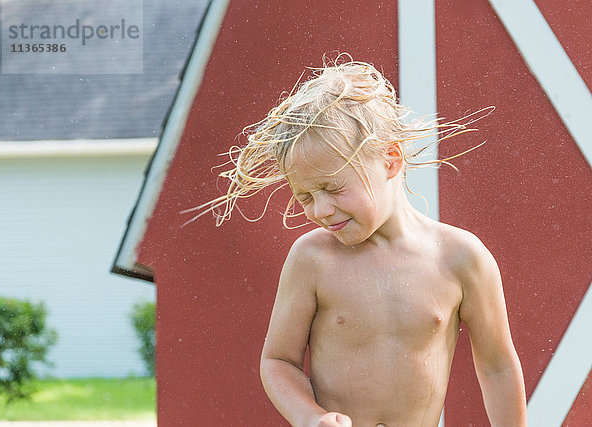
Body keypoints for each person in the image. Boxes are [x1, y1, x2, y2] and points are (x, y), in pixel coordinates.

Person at [181, 53, 527, 426]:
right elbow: (278, 361)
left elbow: (497, 367)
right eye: (305, 197)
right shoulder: (312, 260)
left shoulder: (460, 258)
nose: (321, 210)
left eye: (332, 188)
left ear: (390, 160)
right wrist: (310, 418)